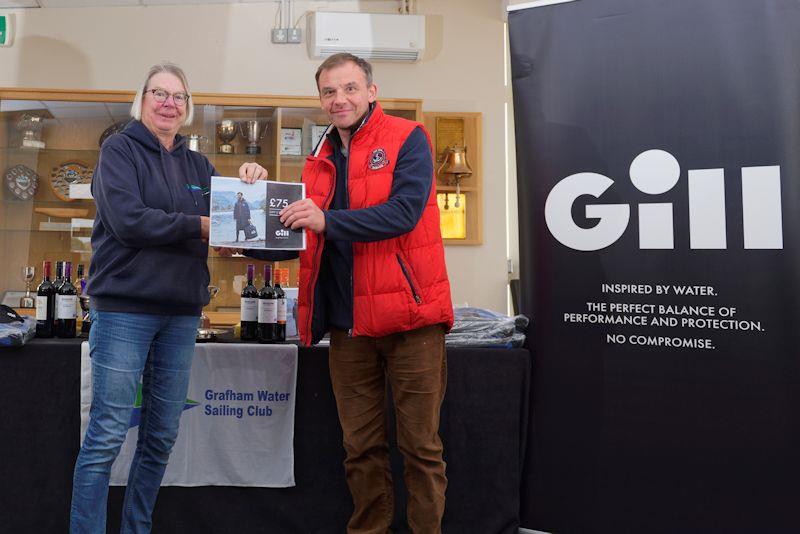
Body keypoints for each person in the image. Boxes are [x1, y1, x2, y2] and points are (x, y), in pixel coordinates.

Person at [246, 52, 454, 533]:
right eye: (328, 92)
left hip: (411, 321)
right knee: (360, 449)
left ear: (371, 91)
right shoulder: (317, 161)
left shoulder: (408, 138)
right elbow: (299, 236)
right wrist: (246, 215)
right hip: (347, 327)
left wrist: (326, 220)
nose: (339, 99)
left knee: (421, 449)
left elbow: (403, 213)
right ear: (320, 99)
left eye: (350, 88)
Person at [70, 62, 267, 533]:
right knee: (106, 437)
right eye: (159, 93)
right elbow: (129, 221)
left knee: (160, 436)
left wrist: (250, 182)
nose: (168, 103)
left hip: (181, 314)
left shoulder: (198, 166)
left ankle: (137, 529)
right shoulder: (118, 151)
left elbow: (231, 222)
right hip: (124, 311)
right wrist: (200, 226)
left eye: (178, 97)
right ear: (141, 101)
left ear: (187, 108)